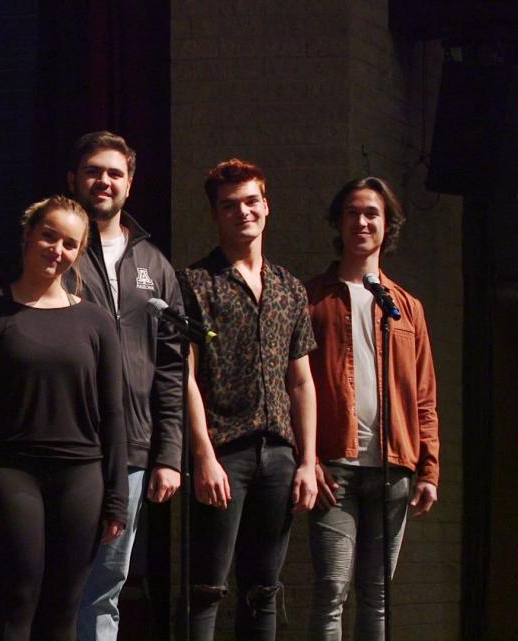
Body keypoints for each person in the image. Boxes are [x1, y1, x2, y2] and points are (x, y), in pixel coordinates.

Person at [0, 195, 128, 641]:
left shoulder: (96, 321)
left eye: (69, 243)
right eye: (48, 235)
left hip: (82, 474)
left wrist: (117, 496)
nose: (56, 249)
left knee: (64, 609)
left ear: (79, 251)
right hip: (13, 472)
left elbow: (112, 411)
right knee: (18, 601)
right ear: (28, 235)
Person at [178, 158, 319, 640]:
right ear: (216, 215)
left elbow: (301, 381)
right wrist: (203, 456)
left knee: (264, 591)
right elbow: (186, 377)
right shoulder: (194, 283)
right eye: (230, 205)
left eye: (251, 201)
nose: (243, 212)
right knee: (207, 588)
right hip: (224, 452)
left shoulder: (289, 288)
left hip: (279, 454)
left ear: (267, 206)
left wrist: (307, 460)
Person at [305, 177, 440, 641]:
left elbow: (424, 396)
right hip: (334, 469)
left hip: (394, 469)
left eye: (372, 214)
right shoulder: (311, 298)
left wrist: (429, 470)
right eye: (352, 213)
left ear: (387, 225)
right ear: (338, 223)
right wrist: (309, 460)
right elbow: (291, 388)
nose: (362, 222)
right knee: (331, 590)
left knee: (378, 596)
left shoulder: (407, 308)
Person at [65, 131, 184, 641]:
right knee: (61, 579)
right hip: (67, 442)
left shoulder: (154, 264)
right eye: (94, 170)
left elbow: (172, 365)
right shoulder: (57, 249)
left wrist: (169, 454)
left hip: (134, 450)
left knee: (107, 584)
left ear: (130, 183)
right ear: (74, 180)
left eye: (115, 173)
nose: (104, 181)